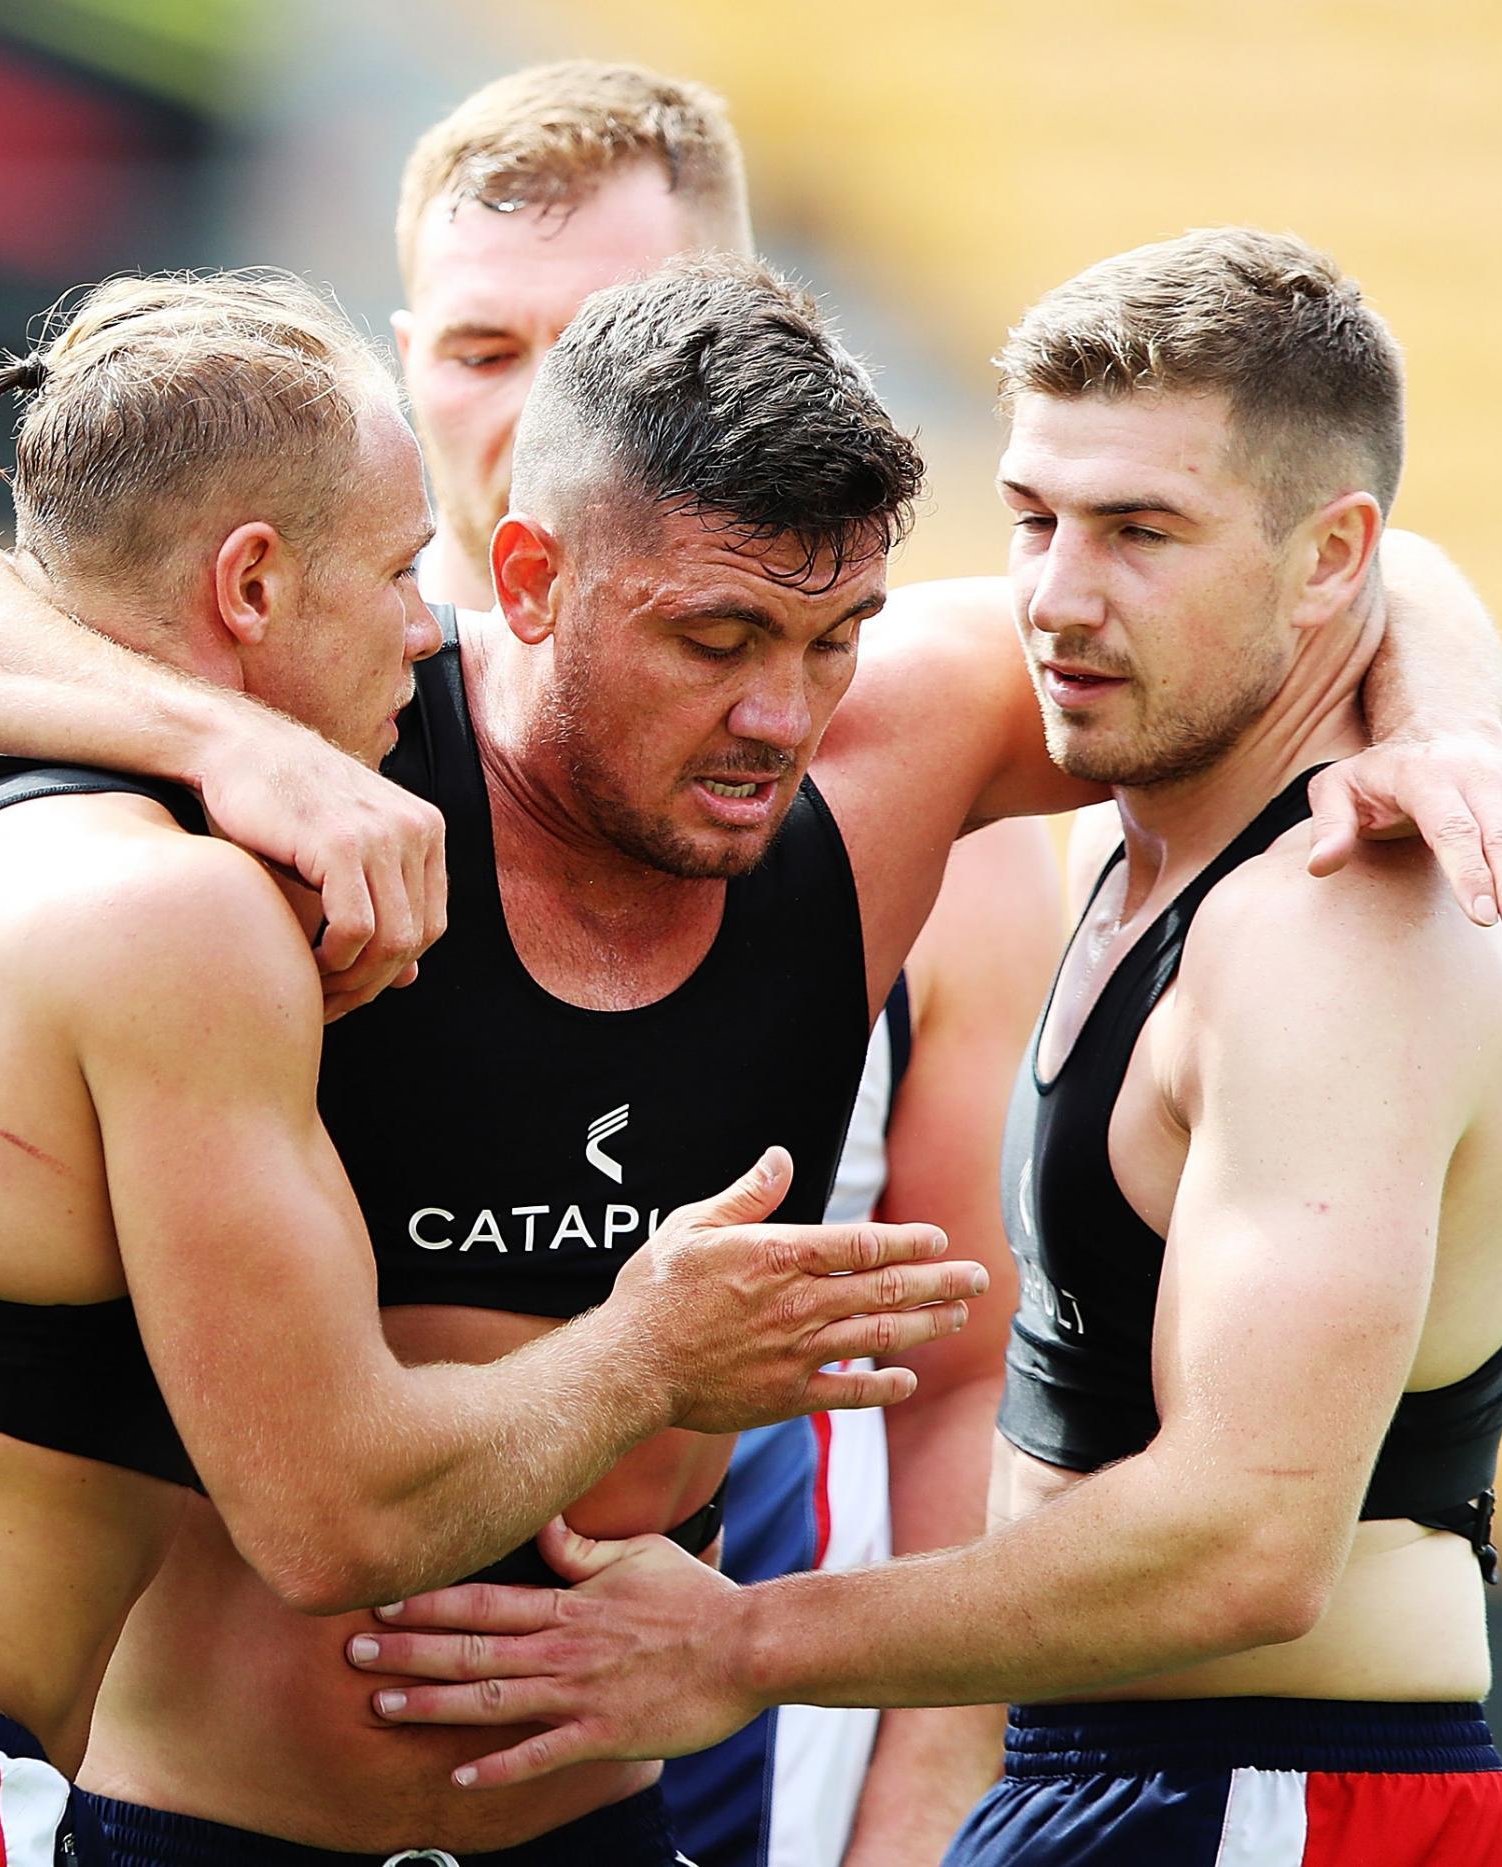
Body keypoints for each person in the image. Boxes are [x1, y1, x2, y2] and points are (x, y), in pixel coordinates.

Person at [0, 242, 1502, 1865]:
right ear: (525, 583)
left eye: (832, 632)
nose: (780, 710)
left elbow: (1334, 575)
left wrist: (1449, 731)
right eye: (713, 641)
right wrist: (227, 752)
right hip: (206, 1821)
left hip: (601, 1826)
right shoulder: (326, 734)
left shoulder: (883, 744)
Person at [0, 271, 985, 1866]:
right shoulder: (179, 910)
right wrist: (650, 1354)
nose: (418, 628)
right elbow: (335, 1522)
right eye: (397, 573)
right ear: (251, 584)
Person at [342, 230, 1502, 1867]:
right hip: (1118, 1769)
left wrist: (740, 1646)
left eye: (1141, 531)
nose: (1061, 597)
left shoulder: (1343, 914)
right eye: (1035, 520)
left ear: (1323, 564)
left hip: (1286, 1787)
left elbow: (1249, 1549)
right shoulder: (1132, 834)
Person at [391, 63, 1058, 1863]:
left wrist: (911, 1833)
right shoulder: (268, 743)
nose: (541, 405)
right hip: (271, 1761)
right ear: (400, 364)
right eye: (477, 348)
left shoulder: (898, 788)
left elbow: (968, 1383)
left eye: (609, 336)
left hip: (758, 1724)